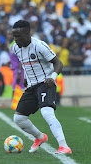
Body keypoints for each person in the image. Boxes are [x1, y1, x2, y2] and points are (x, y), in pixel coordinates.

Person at [12, 20, 72, 154]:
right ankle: (39, 137)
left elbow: (58, 63)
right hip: (32, 86)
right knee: (19, 119)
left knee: (47, 113)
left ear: (28, 33)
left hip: (46, 83)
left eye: (18, 36)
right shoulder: (15, 48)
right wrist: (26, 77)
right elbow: (24, 62)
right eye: (14, 36)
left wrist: (53, 77)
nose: (15, 39)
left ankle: (64, 146)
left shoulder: (40, 46)